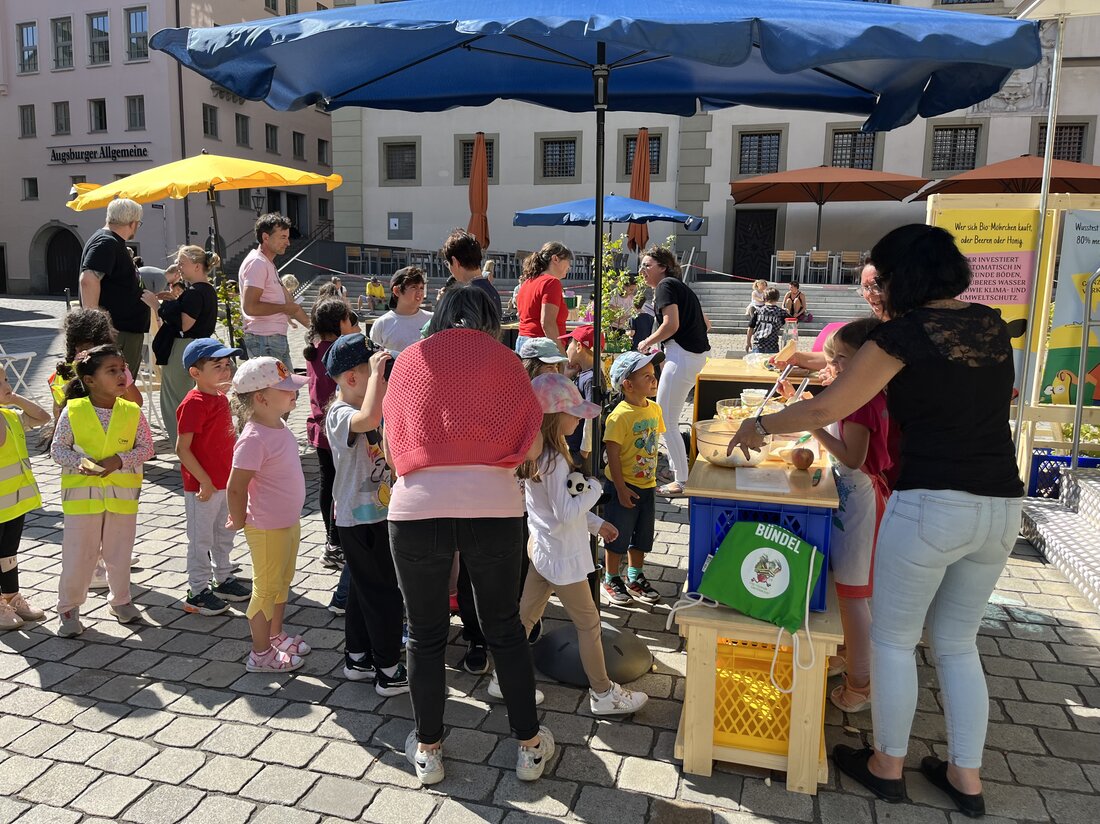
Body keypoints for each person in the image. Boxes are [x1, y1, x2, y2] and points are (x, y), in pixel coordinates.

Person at [728, 225, 1025, 817]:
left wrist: (758, 426)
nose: (879, 288)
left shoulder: (901, 336)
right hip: (1001, 506)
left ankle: (887, 764)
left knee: (893, 640)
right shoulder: (990, 323)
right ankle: (966, 777)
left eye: (882, 276)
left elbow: (829, 406)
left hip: (931, 505)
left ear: (902, 278)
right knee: (958, 644)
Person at [383, 284, 553, 786]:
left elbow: (393, 449)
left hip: (416, 508)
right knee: (504, 628)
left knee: (426, 632)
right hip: (494, 506)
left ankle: (429, 750)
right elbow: (531, 445)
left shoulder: (410, 361)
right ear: (489, 317)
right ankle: (529, 745)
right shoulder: (506, 362)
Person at [516, 372, 649, 715]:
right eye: (573, 412)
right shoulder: (556, 460)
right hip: (563, 558)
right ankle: (604, 694)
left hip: (545, 551)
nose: (579, 418)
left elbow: (559, 510)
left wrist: (597, 524)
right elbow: (565, 511)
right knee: (589, 626)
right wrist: (595, 488)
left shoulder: (539, 455)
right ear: (554, 417)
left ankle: (506, 678)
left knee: (526, 618)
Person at [809, 319, 890, 713]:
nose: (836, 365)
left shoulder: (865, 403)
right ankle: (844, 653)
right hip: (850, 498)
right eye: (834, 356)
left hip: (862, 503)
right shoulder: (859, 396)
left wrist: (814, 426)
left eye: (844, 358)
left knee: (854, 597)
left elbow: (854, 457)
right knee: (845, 589)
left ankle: (861, 685)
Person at [322, 333, 410, 696]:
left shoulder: (370, 403)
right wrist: (378, 377)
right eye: (376, 372)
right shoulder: (340, 413)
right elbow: (369, 416)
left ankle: (358, 657)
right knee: (385, 593)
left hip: (374, 513)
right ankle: (388, 669)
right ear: (353, 378)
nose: (385, 378)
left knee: (362, 589)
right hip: (361, 520)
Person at [51, 345, 155, 637]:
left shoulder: (132, 410)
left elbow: (147, 448)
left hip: (122, 499)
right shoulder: (74, 410)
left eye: (122, 369)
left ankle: (121, 600)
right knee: (79, 556)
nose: (122, 374)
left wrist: (120, 461)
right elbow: (58, 449)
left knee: (120, 554)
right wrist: (80, 463)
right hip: (82, 501)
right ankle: (69, 609)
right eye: (113, 370)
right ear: (90, 380)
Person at [226, 357, 311, 673]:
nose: (294, 393)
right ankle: (260, 654)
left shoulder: (278, 424)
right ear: (261, 398)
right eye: (286, 389)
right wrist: (237, 518)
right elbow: (235, 487)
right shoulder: (253, 438)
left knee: (282, 583)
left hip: (288, 522)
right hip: (266, 527)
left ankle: (275, 635)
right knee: (265, 590)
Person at [175, 338, 252, 616]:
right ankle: (197, 591)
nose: (225, 370)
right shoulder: (193, 403)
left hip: (224, 482)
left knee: (225, 533)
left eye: (227, 364)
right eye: (216, 366)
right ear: (195, 373)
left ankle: (223, 578)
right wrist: (204, 481)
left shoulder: (221, 397)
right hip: (202, 486)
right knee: (200, 540)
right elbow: (182, 448)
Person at [635, 246, 711, 497]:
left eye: (647, 265)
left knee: (666, 420)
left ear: (663, 266)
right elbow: (706, 323)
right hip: (690, 356)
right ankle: (681, 474)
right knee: (668, 418)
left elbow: (672, 324)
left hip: (682, 356)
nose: (642, 270)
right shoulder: (678, 286)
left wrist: (647, 341)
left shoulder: (665, 286)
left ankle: (682, 480)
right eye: (641, 265)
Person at [601, 350, 666, 606]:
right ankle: (611, 577)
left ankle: (635, 575)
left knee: (642, 534)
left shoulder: (655, 409)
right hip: (623, 485)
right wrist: (619, 488)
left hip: (647, 484)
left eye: (653, 375)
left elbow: (653, 444)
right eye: (647, 376)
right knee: (617, 534)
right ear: (628, 385)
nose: (654, 380)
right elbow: (613, 454)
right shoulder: (620, 415)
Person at [304, 299, 360, 572]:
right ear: (340, 324)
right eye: (350, 320)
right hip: (336, 430)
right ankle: (337, 541)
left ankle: (331, 542)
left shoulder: (315, 349)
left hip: (319, 430)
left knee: (328, 485)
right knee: (340, 486)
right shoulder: (337, 352)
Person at [78, 198, 159, 376]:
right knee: (117, 388)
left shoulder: (109, 241)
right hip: (118, 332)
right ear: (133, 223)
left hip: (122, 331)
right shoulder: (107, 242)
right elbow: (88, 279)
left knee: (120, 388)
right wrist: (95, 325)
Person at [0, 372, 51, 630]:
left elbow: (43, 417)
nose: (7, 385)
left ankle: (11, 596)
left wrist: (16, 398)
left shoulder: (10, 417)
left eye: (6, 379)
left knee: (8, 554)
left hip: (15, 503)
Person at [156, 245, 221, 443]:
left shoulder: (194, 292)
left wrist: (158, 306)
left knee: (176, 400)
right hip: (200, 346)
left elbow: (185, 324)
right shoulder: (207, 289)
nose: (178, 268)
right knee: (191, 398)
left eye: (182, 263)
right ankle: (197, 445)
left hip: (184, 347)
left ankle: (184, 447)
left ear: (196, 266)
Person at [238, 213, 310, 368]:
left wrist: (316, 330)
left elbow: (291, 305)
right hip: (265, 339)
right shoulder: (257, 263)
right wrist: (284, 308)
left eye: (287, 237)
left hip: (271, 339)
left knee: (287, 391)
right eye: (283, 237)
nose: (288, 243)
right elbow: (250, 307)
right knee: (278, 391)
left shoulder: (266, 263)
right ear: (265, 237)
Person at [516, 242, 571, 354]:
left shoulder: (528, 282)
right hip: (541, 346)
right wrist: (561, 354)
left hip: (523, 341)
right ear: (555, 259)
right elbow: (547, 323)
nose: (569, 267)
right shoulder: (551, 282)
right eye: (568, 261)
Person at [561, 325, 601, 471]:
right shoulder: (585, 374)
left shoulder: (591, 378)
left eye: (568, 345)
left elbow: (591, 417)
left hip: (581, 451)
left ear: (578, 346)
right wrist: (566, 376)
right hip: (576, 446)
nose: (566, 350)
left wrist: (584, 452)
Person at [370, 267, 432, 354]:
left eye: (421, 288)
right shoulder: (382, 324)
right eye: (414, 287)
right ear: (397, 291)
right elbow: (375, 358)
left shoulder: (432, 320)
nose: (419, 292)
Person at [747, 288, 785, 354]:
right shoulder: (781, 312)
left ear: (764, 298)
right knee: (770, 363)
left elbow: (751, 327)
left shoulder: (759, 311)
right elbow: (793, 323)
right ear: (777, 298)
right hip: (772, 345)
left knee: (757, 363)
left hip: (758, 344)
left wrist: (748, 342)